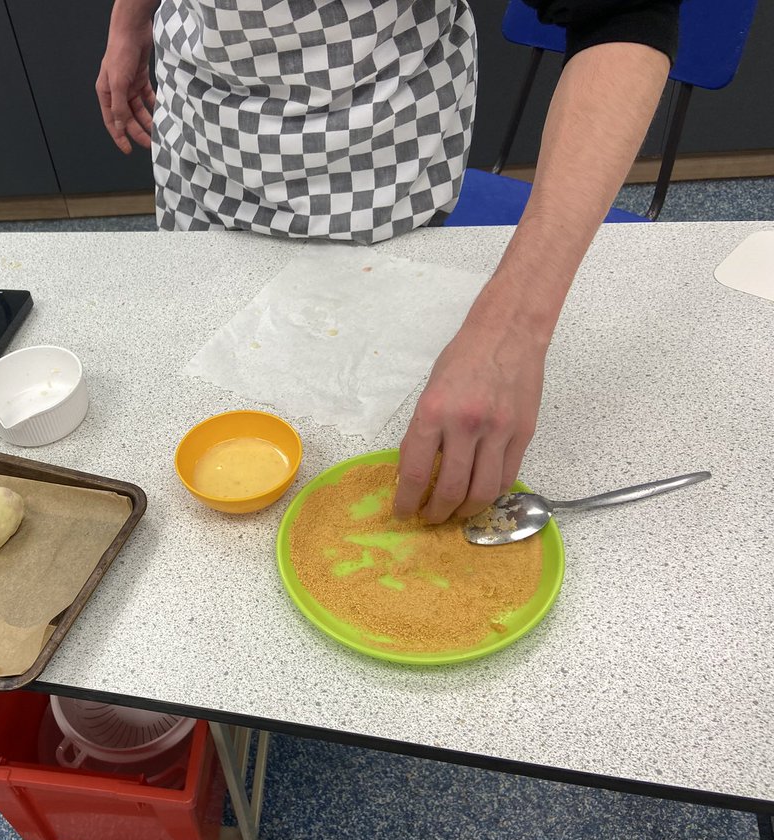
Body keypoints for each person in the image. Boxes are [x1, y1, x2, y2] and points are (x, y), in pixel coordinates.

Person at [97, 0, 679, 522]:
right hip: (203, 125)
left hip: (373, 150)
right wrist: (129, 21)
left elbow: (623, 14)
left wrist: (511, 331)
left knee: (374, 394)